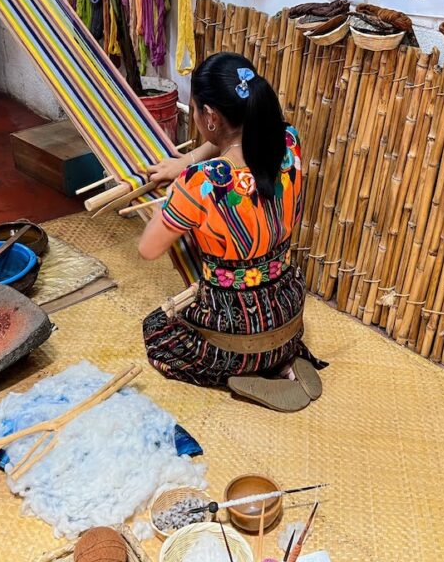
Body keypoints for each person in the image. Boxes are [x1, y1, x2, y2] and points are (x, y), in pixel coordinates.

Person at [138, 52, 325, 412]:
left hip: (233, 325)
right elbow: (230, 141)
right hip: (287, 311)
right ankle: (283, 360)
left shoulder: (201, 184)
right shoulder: (287, 143)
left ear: (210, 116)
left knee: (158, 329)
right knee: (267, 323)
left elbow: (148, 249)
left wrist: (166, 208)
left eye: (194, 110)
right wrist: (185, 161)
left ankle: (241, 373)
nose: (193, 117)